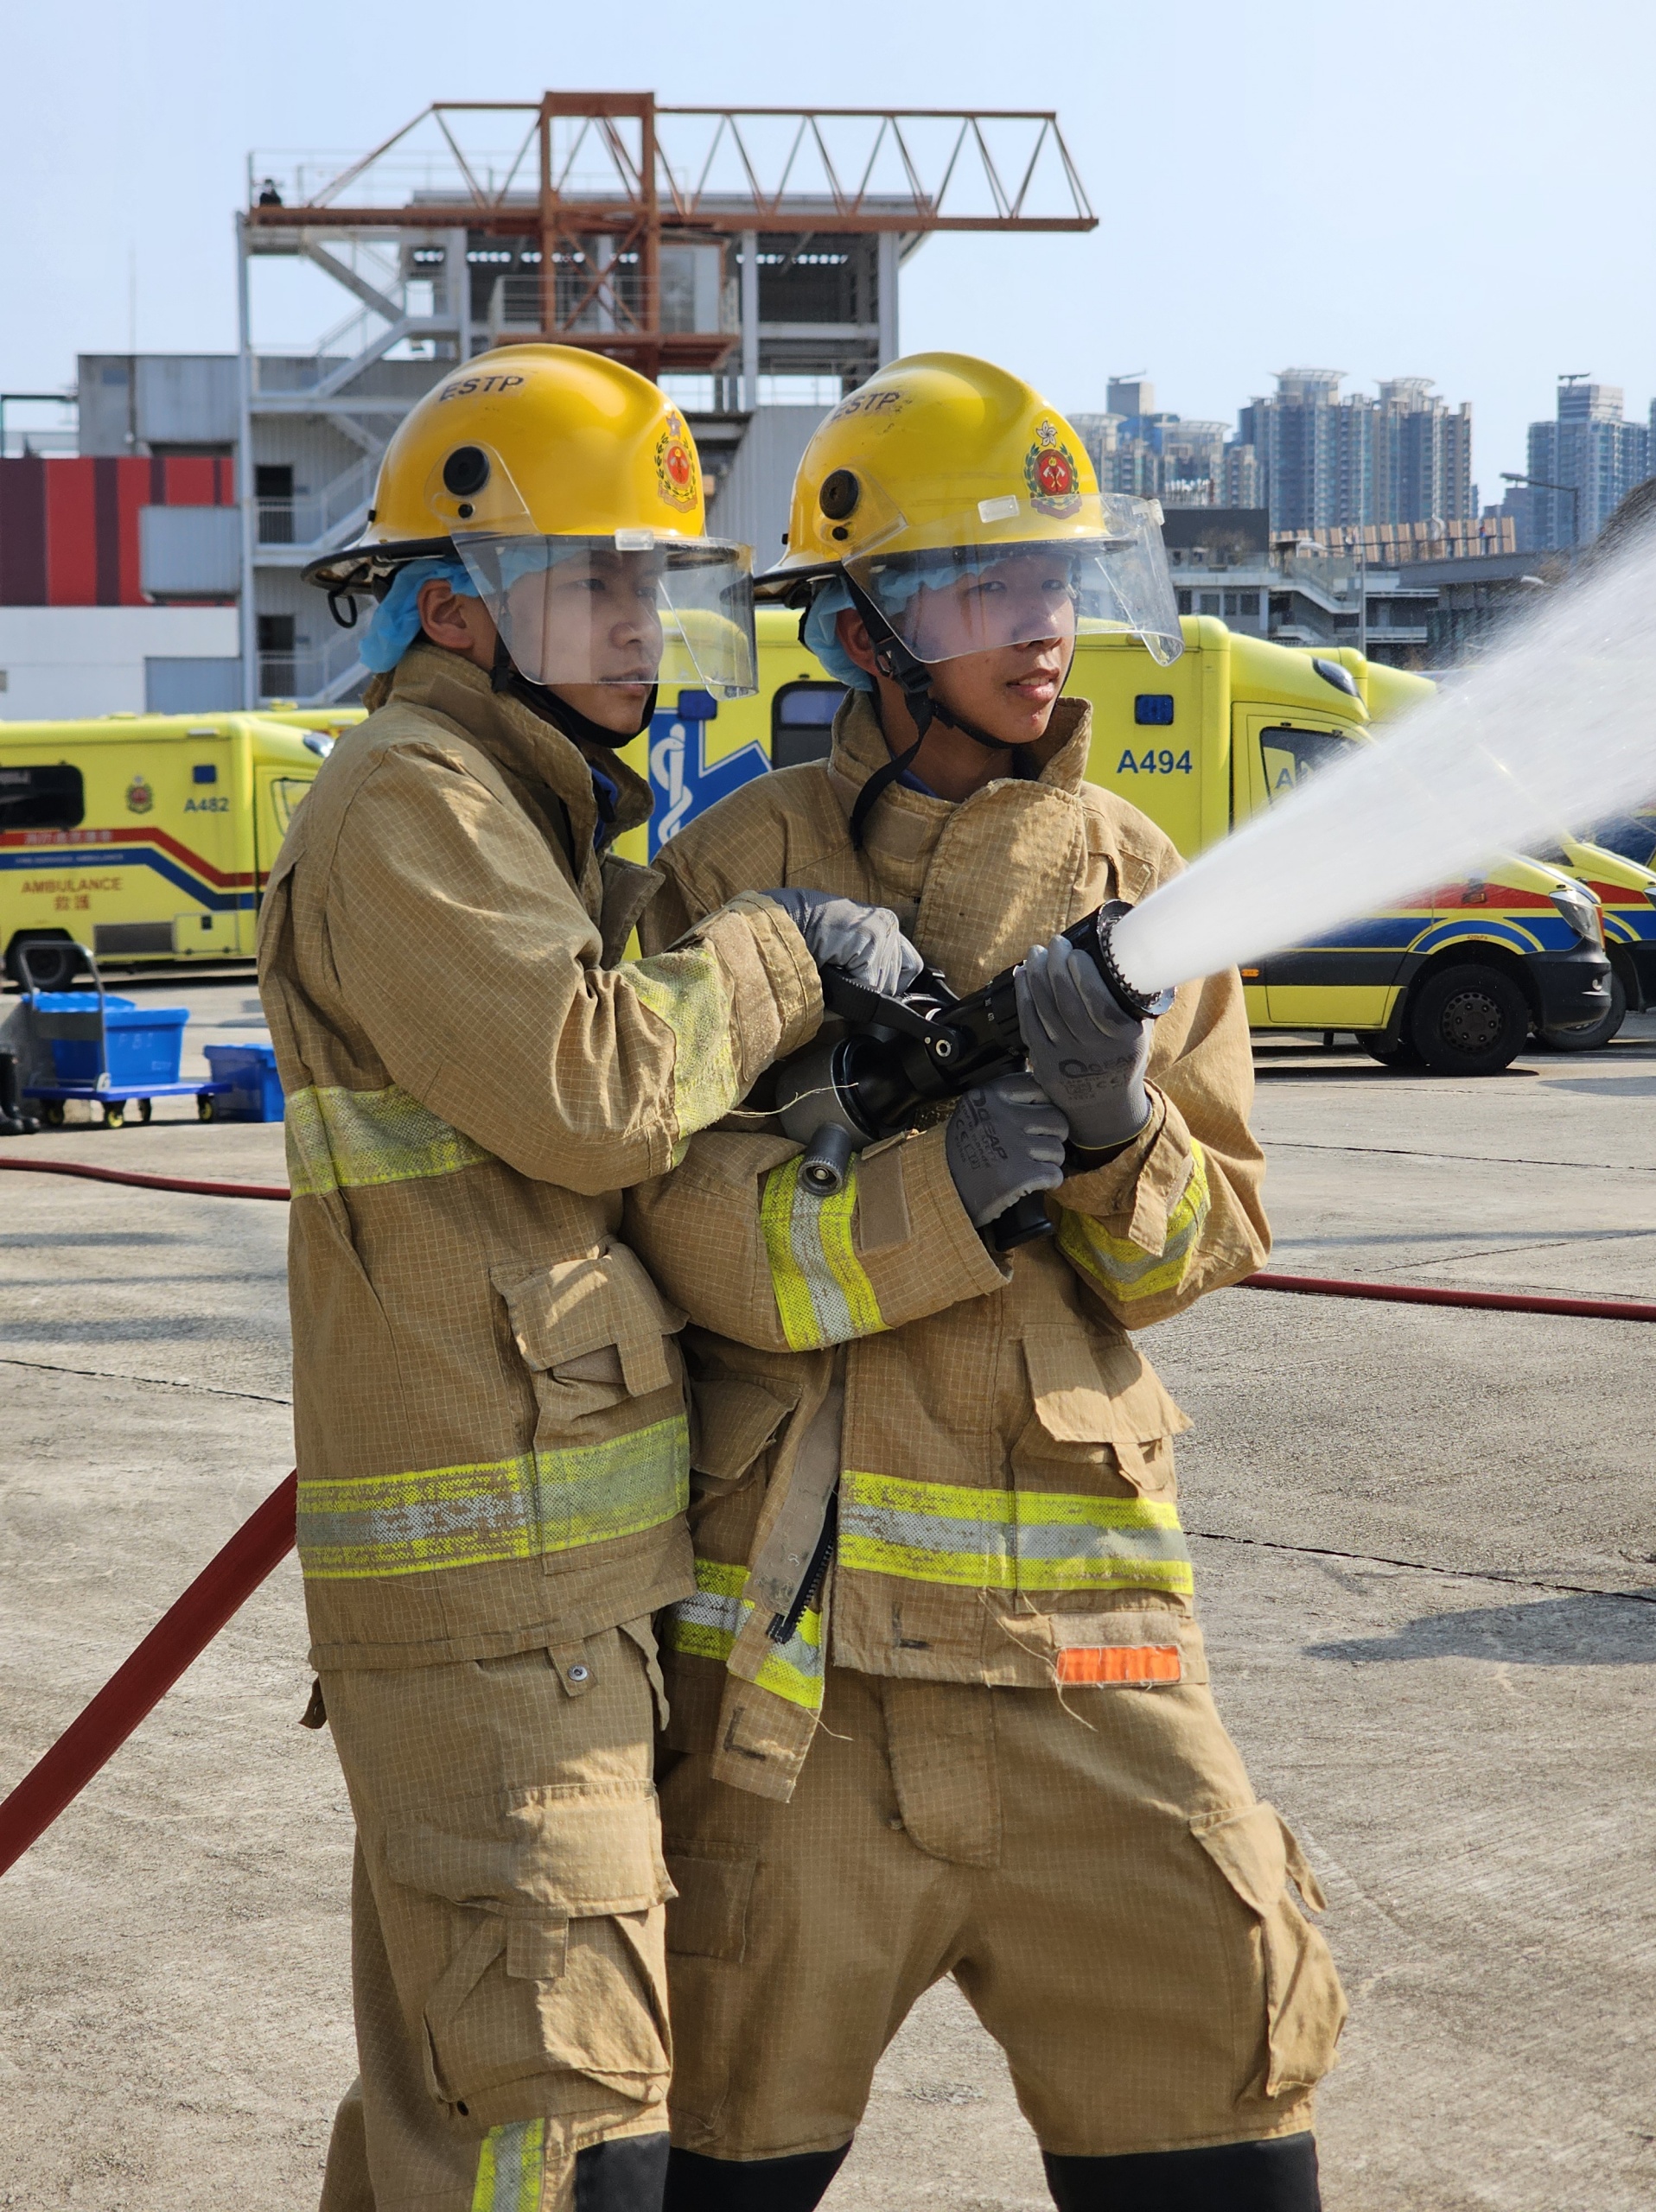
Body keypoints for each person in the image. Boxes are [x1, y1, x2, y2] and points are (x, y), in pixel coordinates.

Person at [626, 353, 1347, 2212]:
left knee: (1230, 2106)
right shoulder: (734, 874)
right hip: (798, 1687)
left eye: (1057, 580)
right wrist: (932, 1191)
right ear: (865, 626)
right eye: (981, 587)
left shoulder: (1142, 881)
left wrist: (1118, 1130)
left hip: (1091, 1667)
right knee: (698, 2155)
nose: (1040, 629)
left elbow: (1201, 1251)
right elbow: (667, 1219)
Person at [259, 343, 916, 2212]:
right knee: (565, 2122)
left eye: (653, 579)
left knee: (455, 2101)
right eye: (595, 579)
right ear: (456, 605)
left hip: (552, 1584)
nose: (641, 621)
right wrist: (787, 947)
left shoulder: (524, 809)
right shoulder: (412, 800)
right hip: (495, 1600)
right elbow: (593, 1082)